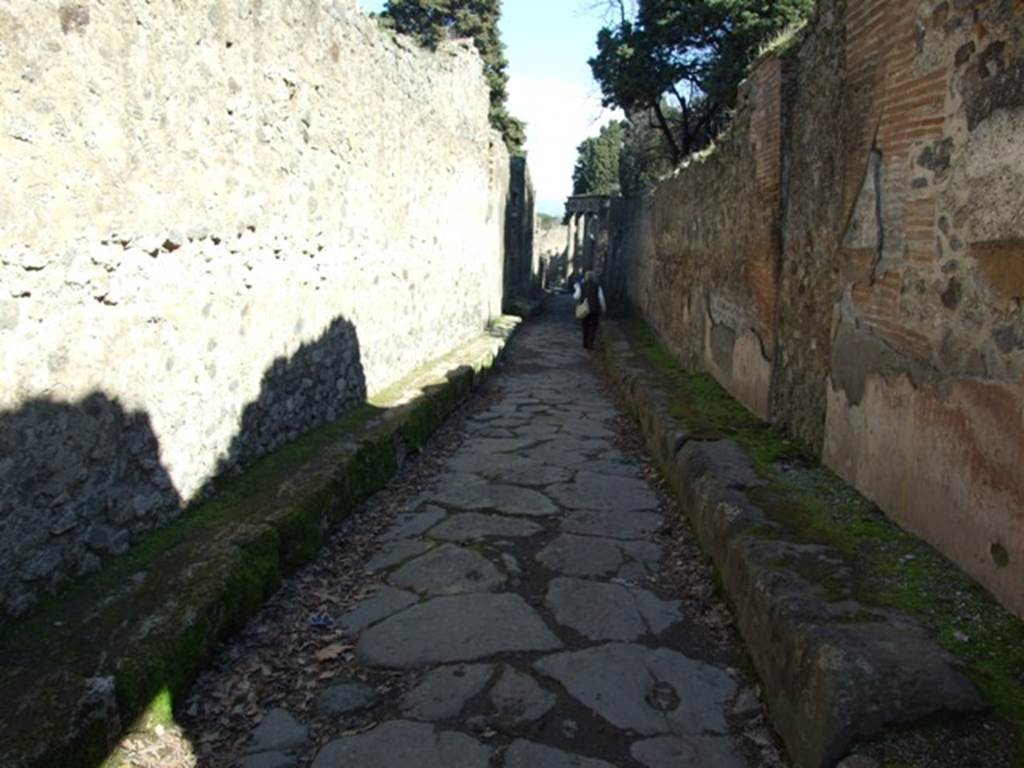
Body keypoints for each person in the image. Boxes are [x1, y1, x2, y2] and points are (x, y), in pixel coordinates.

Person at [573, 271, 607, 350]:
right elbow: (601, 298)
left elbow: (576, 297)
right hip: (594, 310)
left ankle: (585, 343)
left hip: (584, 310)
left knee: (585, 326)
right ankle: (590, 343)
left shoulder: (581, 286)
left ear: (585, 277)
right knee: (593, 327)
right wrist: (604, 308)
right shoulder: (597, 286)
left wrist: (577, 288)